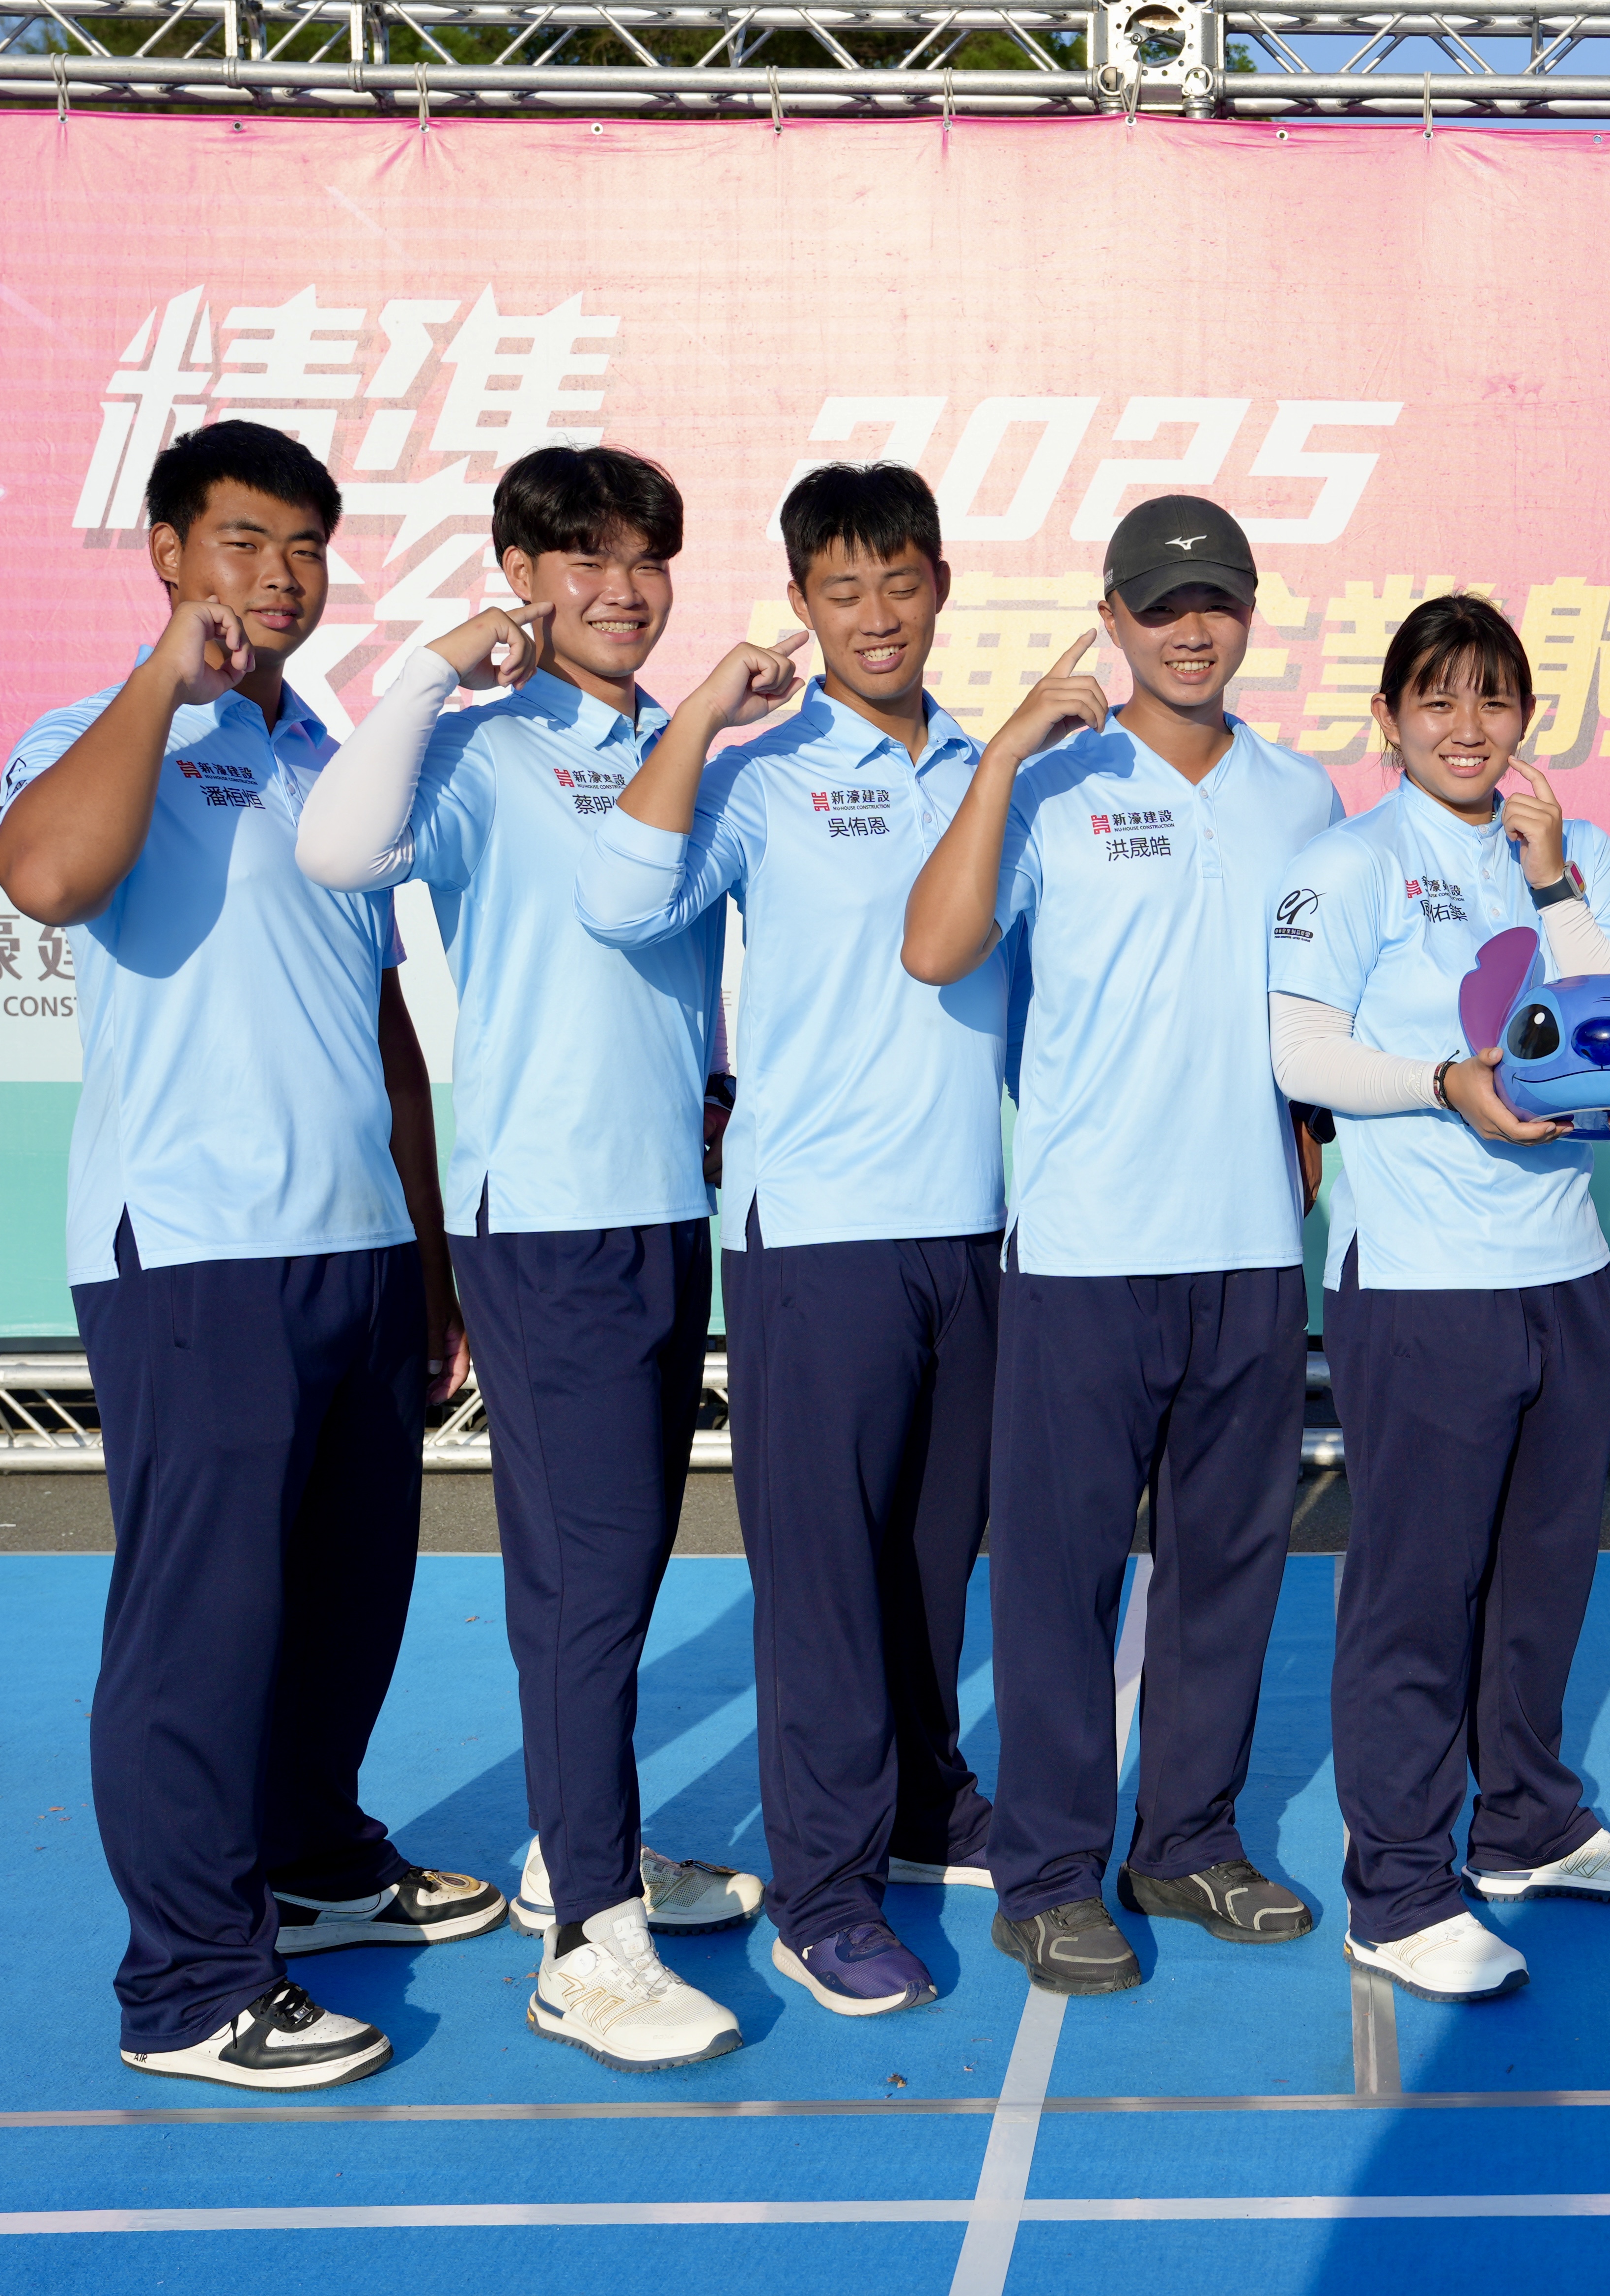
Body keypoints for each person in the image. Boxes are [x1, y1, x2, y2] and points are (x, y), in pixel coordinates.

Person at [0, 420, 502, 2093]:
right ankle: (191, 1986)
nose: (274, 579)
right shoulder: (93, 733)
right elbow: (49, 875)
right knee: (200, 1627)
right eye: (238, 543)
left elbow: (382, 1027)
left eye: (301, 549)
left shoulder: (327, 751)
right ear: (165, 552)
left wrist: (426, 1266)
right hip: (194, 1251)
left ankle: (316, 1863)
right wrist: (165, 681)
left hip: (354, 1251)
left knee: (349, 1602)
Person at [293, 445, 757, 2072]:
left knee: (616, 1570)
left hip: (661, 1214)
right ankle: (585, 1949)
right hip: (544, 1220)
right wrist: (429, 665)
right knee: (580, 1574)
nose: (619, 592)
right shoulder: (481, 752)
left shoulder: (682, 751)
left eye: (644, 561)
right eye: (582, 562)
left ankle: (586, 1848)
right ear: (521, 570)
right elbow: (340, 854)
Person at [579, 460, 1013, 2021]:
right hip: (815, 1233)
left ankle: (917, 1806)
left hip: (974, 1223)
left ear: (940, 585)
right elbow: (625, 902)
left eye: (901, 584)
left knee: (927, 1563)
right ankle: (821, 1900)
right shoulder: (762, 776)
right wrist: (703, 714)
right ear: (802, 604)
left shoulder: (998, 764)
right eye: (843, 591)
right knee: (826, 1581)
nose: (878, 616)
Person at [900, 495, 1342, 1996]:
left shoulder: (1305, 798)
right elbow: (938, 949)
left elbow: (1325, 1012)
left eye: (1217, 598)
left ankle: (1190, 1837)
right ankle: (1045, 1873)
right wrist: (1008, 753)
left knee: (1226, 1568)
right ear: (1114, 618)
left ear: (1250, 610)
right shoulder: (1048, 783)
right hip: (1088, 1247)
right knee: (1060, 1581)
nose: (1192, 627)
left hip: (1250, 1249)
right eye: (1162, 605)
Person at [1265, 592, 1610, 2006]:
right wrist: (1442, 1083)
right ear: (1388, 719)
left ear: (1526, 719)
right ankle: (1395, 1885)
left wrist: (1559, 883)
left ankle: (1527, 1823)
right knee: (1415, 1593)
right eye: (1435, 699)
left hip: (1563, 1269)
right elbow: (1300, 1050)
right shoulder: (1352, 863)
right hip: (1423, 1284)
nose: (1467, 726)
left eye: (1493, 698)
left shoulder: (1576, 858)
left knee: (1543, 1576)